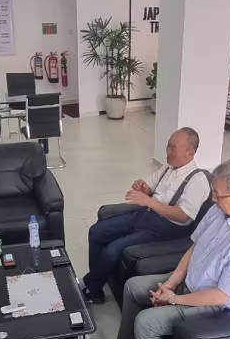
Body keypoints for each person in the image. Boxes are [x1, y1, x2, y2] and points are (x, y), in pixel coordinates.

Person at [95, 157, 230, 339]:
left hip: (217, 306)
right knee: (133, 286)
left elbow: (220, 296)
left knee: (147, 322)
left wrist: (172, 299)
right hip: (191, 281)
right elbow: (195, 246)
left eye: (218, 195)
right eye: (213, 193)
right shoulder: (220, 211)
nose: (214, 199)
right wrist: (171, 283)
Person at [80, 127, 210, 303]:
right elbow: (150, 187)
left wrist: (150, 202)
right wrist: (143, 188)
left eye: (173, 148)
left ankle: (90, 287)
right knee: (96, 231)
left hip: (163, 229)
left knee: (113, 250)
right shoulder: (167, 168)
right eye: (167, 146)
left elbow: (183, 216)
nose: (167, 151)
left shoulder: (198, 180)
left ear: (190, 152)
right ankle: (96, 282)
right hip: (144, 215)